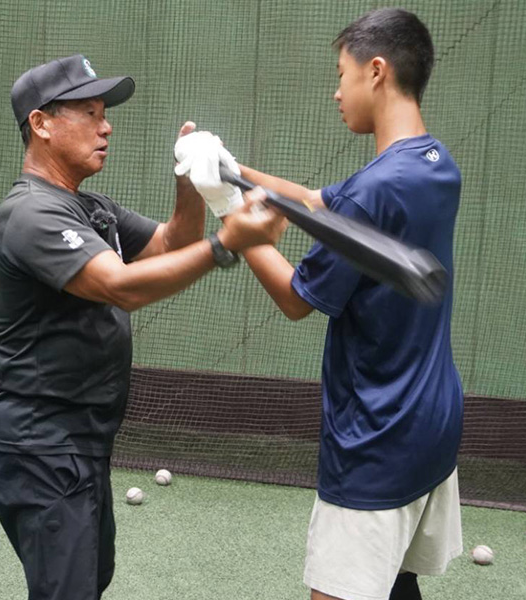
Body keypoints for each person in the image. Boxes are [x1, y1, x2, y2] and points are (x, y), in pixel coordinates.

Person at [0, 54, 286, 600]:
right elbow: (121, 285)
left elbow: (171, 243)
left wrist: (188, 181)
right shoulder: (29, 214)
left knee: (89, 582)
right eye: (89, 113)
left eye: (105, 112)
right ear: (41, 124)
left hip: (82, 441)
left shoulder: (88, 207)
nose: (106, 126)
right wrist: (227, 244)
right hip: (40, 444)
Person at [193, 8, 463, 600]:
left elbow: (296, 299)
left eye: (340, 74)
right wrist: (231, 171)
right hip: (431, 419)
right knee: (396, 584)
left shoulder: (373, 192)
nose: (335, 90)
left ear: (376, 71)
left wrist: (223, 210)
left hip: (376, 434)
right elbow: (318, 204)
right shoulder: (434, 165)